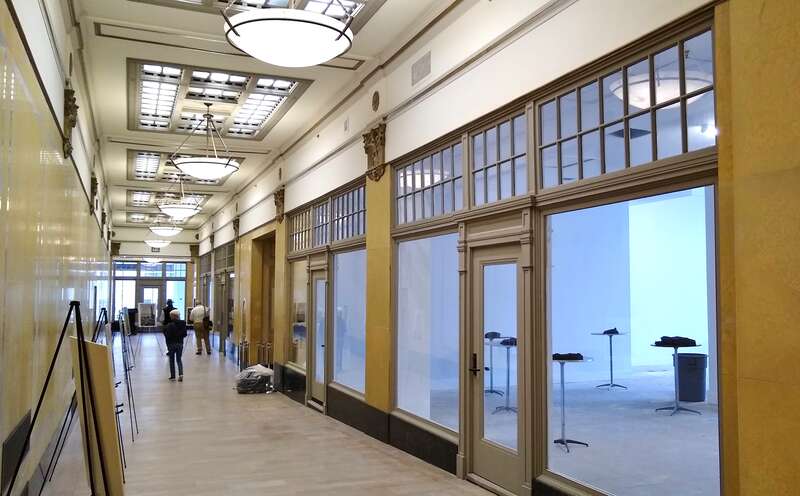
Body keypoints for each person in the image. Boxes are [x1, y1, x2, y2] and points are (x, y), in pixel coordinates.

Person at [163, 309, 187, 382]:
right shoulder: (183, 323)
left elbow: (167, 335)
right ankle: (181, 374)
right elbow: (185, 334)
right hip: (180, 343)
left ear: (173, 316)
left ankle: (173, 376)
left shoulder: (169, 325)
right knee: (179, 359)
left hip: (171, 344)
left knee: (172, 360)